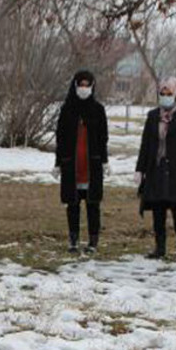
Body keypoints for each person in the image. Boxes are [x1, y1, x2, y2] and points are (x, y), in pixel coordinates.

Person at [135, 76, 176, 260]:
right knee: (158, 212)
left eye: (169, 93)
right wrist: (140, 169)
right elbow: (145, 144)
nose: (165, 96)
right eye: (162, 93)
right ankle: (160, 248)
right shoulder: (153, 116)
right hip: (156, 170)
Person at [52, 70, 109, 254]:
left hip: (92, 164)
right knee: (73, 204)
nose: (84, 88)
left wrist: (104, 161)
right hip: (72, 164)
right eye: (81, 85)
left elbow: (103, 138)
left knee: (93, 205)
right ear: (75, 86)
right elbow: (60, 138)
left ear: (92, 87)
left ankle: (93, 241)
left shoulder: (98, 110)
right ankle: (73, 240)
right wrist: (58, 162)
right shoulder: (67, 109)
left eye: (87, 85)